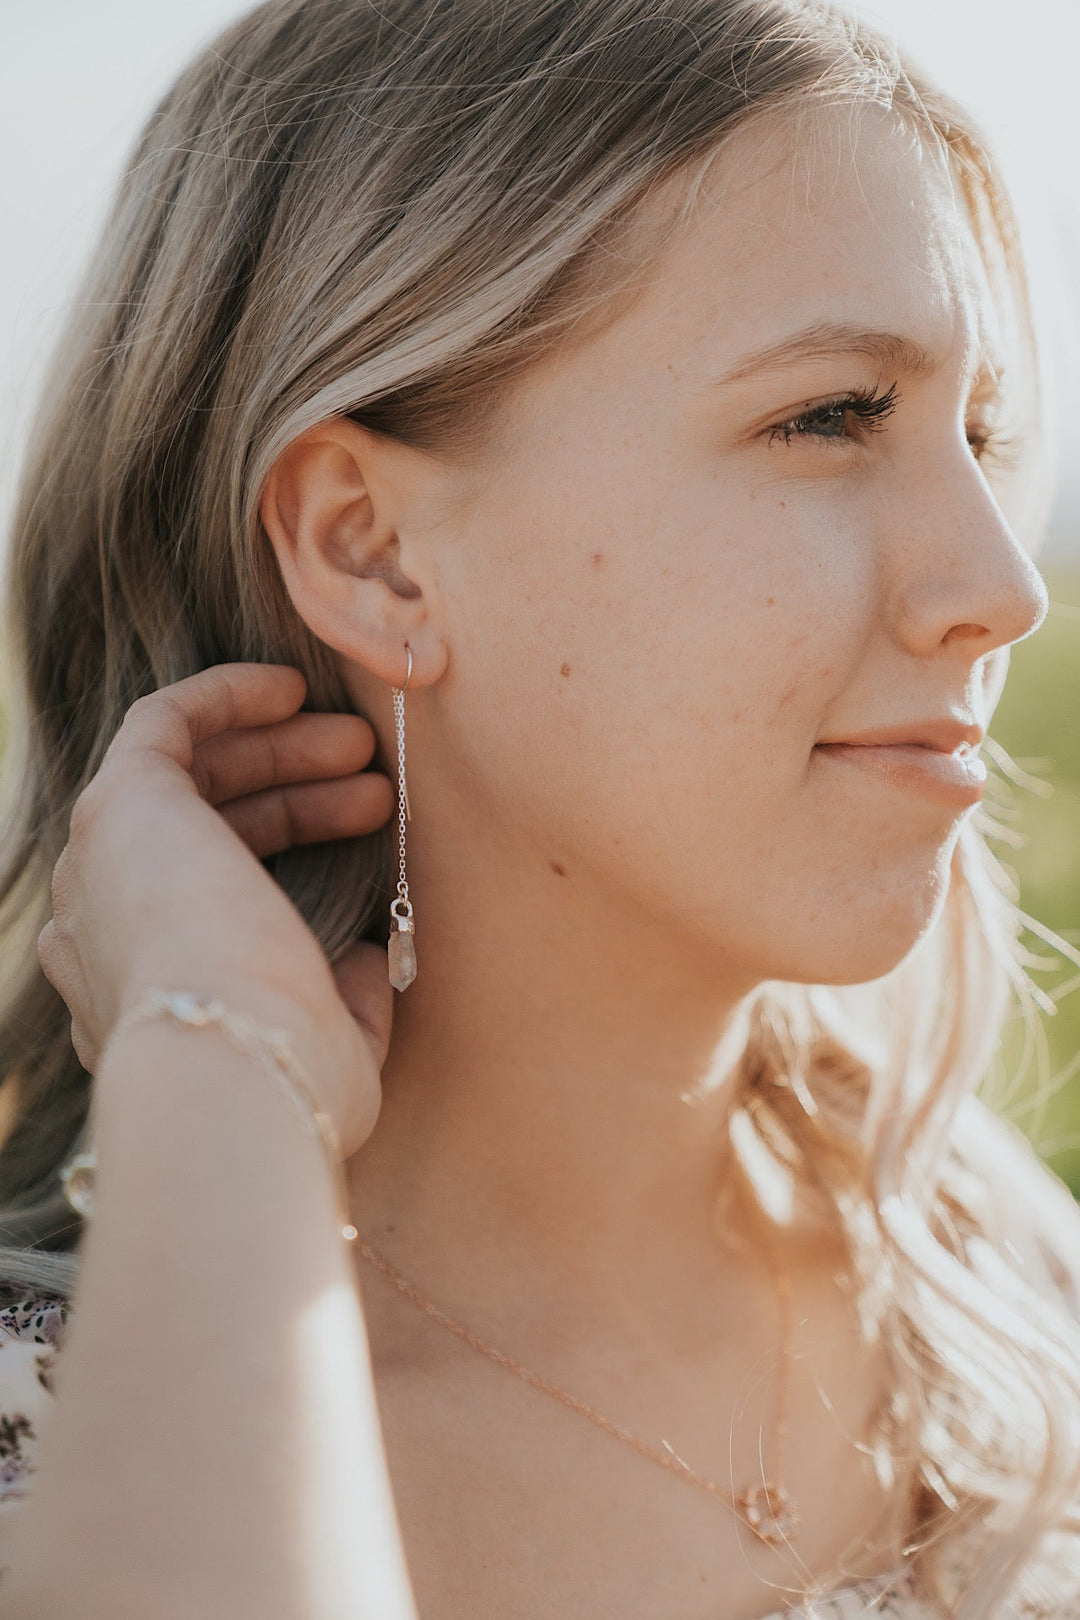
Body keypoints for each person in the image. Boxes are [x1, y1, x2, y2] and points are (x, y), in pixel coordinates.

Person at [0, 0, 1079, 1614]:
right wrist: (222, 1065)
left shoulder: (1012, 1287)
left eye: (980, 434)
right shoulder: (51, 1443)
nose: (1001, 591)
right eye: (832, 416)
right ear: (370, 547)